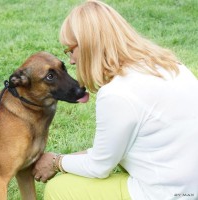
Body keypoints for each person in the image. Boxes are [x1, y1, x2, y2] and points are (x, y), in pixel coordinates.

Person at [32, 0, 198, 199]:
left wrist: (56, 162)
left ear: (88, 45)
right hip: (189, 186)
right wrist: (63, 160)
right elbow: (112, 151)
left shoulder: (116, 93)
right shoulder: (171, 65)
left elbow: (99, 166)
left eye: (71, 50)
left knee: (60, 188)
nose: (72, 60)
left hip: (166, 193)